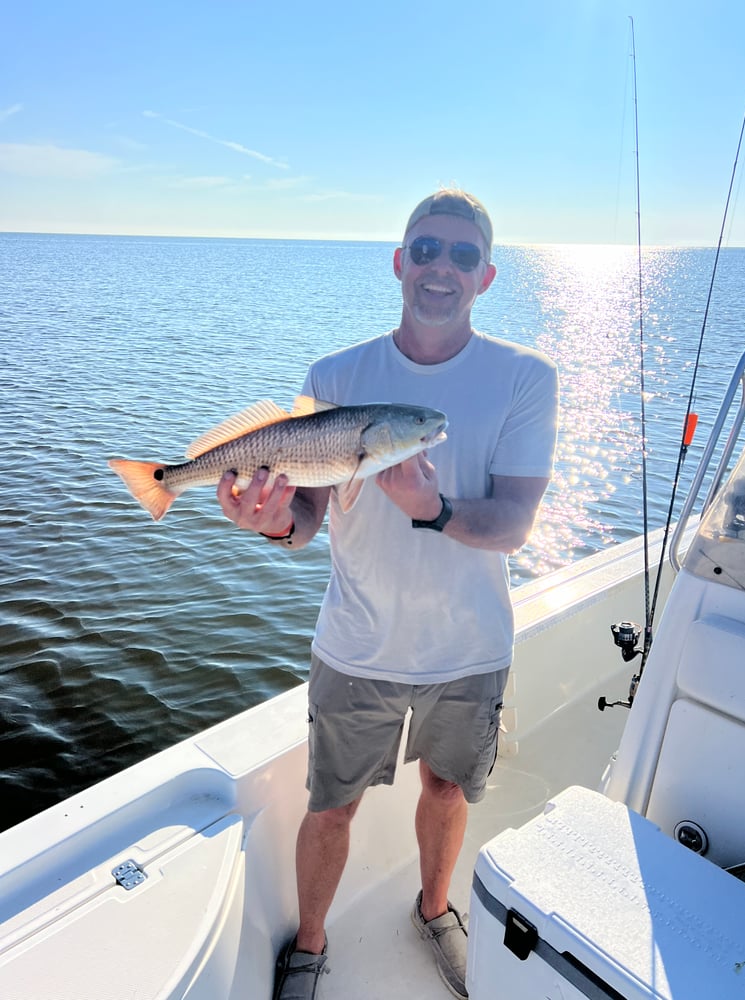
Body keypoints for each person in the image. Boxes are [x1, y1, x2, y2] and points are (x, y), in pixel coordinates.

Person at [216, 189, 559, 1000]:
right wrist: (264, 521)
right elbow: (302, 519)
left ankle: (434, 910)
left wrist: (432, 511)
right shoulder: (336, 375)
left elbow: (514, 522)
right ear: (400, 262)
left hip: (470, 648)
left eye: (463, 255)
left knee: (445, 790)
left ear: (488, 276)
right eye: (427, 250)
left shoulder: (524, 378)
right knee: (330, 806)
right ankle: (308, 945)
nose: (443, 268)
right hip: (356, 646)